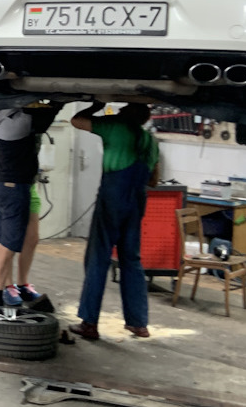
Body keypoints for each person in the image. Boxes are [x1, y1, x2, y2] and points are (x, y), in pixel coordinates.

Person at [69, 101, 160, 339]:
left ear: (128, 114)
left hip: (113, 198)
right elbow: (154, 180)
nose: (119, 110)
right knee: (131, 259)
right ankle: (138, 323)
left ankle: (89, 323)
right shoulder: (150, 141)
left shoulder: (116, 126)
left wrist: (95, 105)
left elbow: (76, 121)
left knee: (98, 257)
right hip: (137, 200)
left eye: (123, 108)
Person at [0, 104, 58, 307]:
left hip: (14, 187)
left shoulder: (6, 121)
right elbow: (47, 115)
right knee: (9, 244)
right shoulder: (21, 121)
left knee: (8, 241)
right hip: (12, 188)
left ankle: (1, 289)